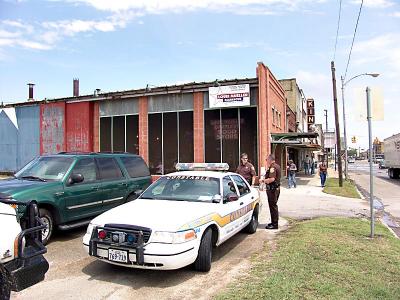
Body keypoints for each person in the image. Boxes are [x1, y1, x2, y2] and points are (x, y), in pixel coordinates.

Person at [262, 154, 281, 229]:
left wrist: (263, 180)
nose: (266, 161)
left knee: (273, 207)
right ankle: (274, 222)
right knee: (273, 206)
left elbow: (272, 179)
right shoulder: (277, 166)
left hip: (272, 190)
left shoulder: (273, 167)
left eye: (266, 160)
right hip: (275, 189)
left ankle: (275, 224)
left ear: (270, 159)